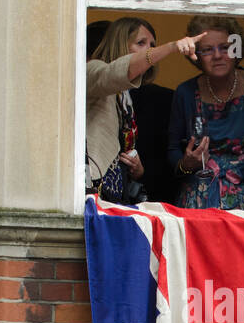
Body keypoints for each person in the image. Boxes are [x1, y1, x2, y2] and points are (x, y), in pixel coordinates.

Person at [87, 17, 204, 202]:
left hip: (116, 193)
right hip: (93, 191)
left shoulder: (126, 94)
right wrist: (172, 47)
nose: (149, 50)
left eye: (152, 45)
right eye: (141, 43)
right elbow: (111, 74)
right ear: (120, 45)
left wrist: (138, 169)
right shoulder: (91, 70)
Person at [168, 16, 244, 211]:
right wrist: (186, 164)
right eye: (207, 50)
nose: (217, 55)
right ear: (196, 54)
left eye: (225, 47)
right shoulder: (185, 92)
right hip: (200, 200)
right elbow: (172, 150)